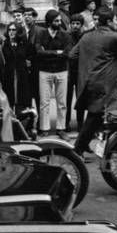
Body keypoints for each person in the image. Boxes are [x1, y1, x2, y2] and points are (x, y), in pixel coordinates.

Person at [70, 8, 117, 156]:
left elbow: (72, 55)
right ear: (108, 21)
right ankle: (80, 150)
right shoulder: (115, 37)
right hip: (107, 83)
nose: (116, 23)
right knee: (101, 117)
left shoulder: (86, 37)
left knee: (95, 117)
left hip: (89, 81)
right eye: (114, 20)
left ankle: (83, 148)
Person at [34, 9, 72, 138]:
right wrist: (57, 53)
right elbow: (39, 52)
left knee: (62, 103)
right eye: (56, 21)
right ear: (49, 22)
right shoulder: (41, 34)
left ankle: (61, 129)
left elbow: (67, 54)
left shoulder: (65, 35)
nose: (59, 22)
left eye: (59, 20)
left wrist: (48, 53)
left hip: (61, 71)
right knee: (44, 102)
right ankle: (44, 128)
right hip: (45, 71)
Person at [1, 21, 34, 116]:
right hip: (8, 75)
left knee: (22, 99)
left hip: (22, 75)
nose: (11, 32)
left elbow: (31, 56)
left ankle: (24, 121)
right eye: (9, 30)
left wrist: (28, 63)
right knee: (10, 98)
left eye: (14, 30)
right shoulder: (5, 45)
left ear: (18, 31)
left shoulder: (24, 44)